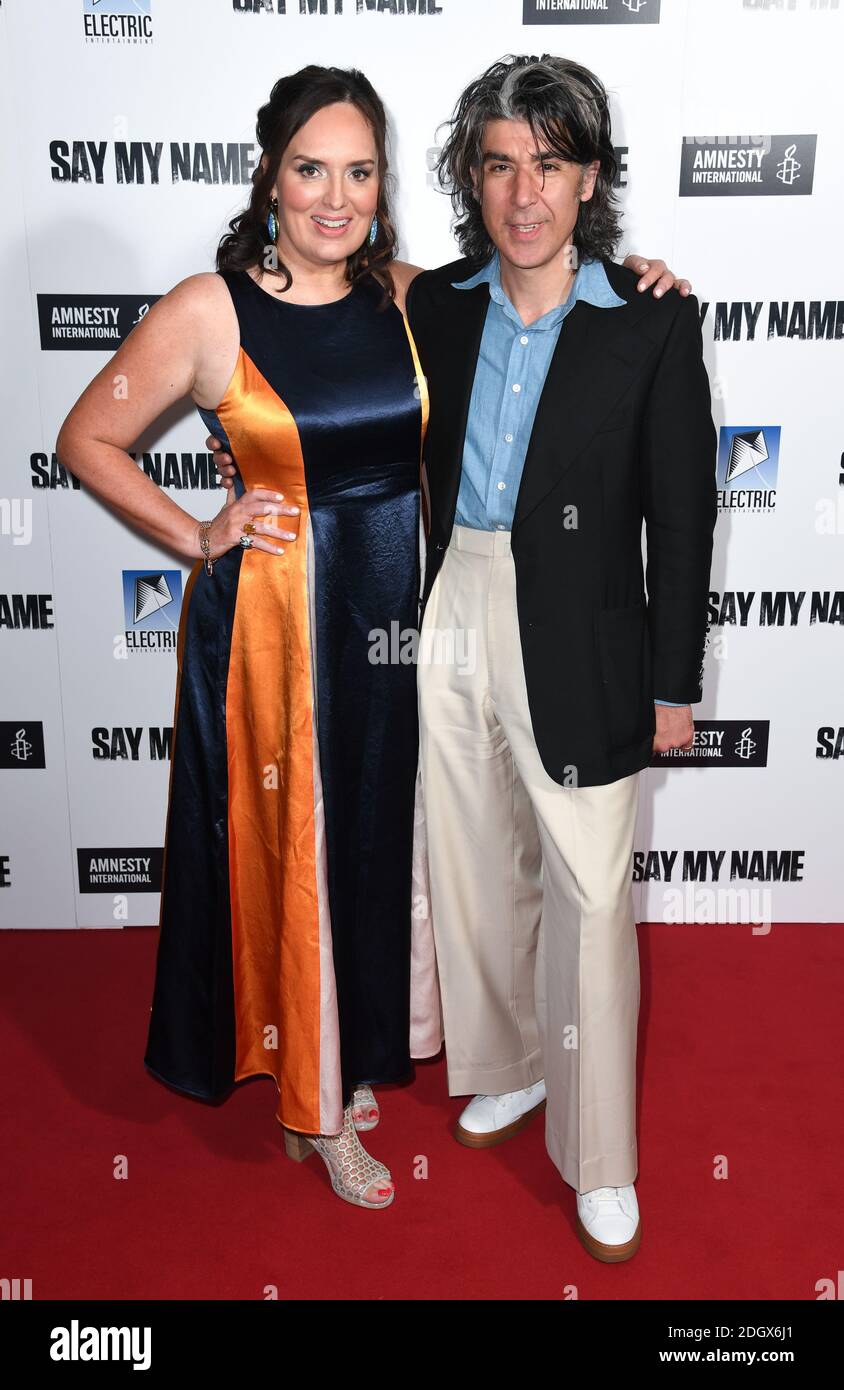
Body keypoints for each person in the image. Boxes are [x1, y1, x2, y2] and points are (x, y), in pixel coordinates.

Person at [57, 65, 446, 1211]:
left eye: (360, 171)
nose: (337, 197)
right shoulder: (209, 308)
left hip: (397, 617)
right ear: (270, 175)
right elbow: (90, 435)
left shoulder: (414, 296)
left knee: (381, 839)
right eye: (311, 169)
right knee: (296, 848)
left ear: (383, 183)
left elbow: (546, 314)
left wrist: (644, 285)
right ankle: (313, 1104)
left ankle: (352, 1044)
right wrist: (196, 531)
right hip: (275, 628)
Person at [399, 54, 717, 1261]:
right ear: (470, 179)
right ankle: (515, 1065)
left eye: (548, 162)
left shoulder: (652, 322)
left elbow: (684, 516)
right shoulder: (433, 305)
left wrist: (672, 683)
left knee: (589, 895)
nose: (522, 192)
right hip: (456, 601)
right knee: (476, 856)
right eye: (498, 163)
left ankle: (599, 1157)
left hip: (583, 626)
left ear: (589, 179)